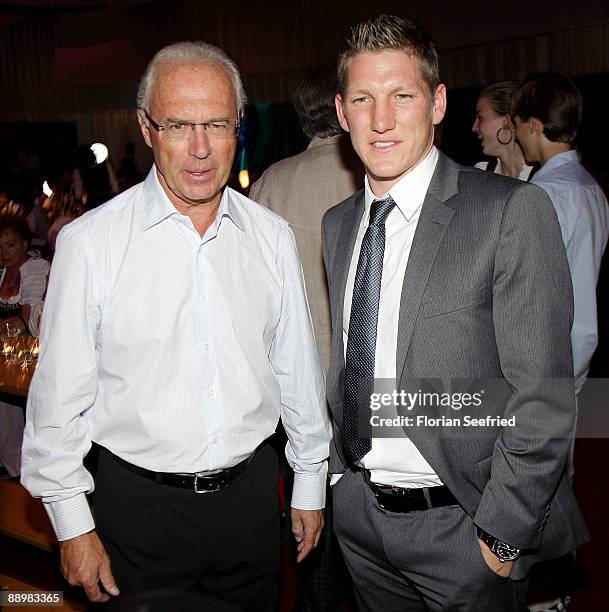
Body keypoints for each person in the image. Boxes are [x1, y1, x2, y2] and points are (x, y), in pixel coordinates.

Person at [21, 41, 331, 611]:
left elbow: (298, 372)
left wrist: (310, 481)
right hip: (139, 513)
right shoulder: (91, 244)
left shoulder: (271, 237)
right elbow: (57, 401)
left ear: (239, 124)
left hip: (251, 505)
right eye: (178, 124)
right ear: (146, 127)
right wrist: (71, 524)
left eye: (216, 124)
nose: (199, 148)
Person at [322, 14, 588, 612]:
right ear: (342, 113)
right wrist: (342, 482)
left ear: (438, 103)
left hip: (464, 530)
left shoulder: (510, 212)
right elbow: (348, 359)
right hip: (363, 524)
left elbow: (542, 395)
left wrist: (499, 535)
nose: (381, 119)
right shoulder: (338, 225)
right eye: (363, 99)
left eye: (402, 96)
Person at [250, 64, 362, 612]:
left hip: (291, 375)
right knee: (363, 512)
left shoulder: (273, 180)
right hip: (359, 372)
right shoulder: (370, 174)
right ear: (344, 108)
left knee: (305, 501)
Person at [512, 72, 609, 396]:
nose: (517, 136)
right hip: (577, 362)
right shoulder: (591, 188)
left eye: (517, 125)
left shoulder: (544, 194)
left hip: (546, 371)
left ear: (534, 125)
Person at [0, 215, 49, 478]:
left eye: (10, 245)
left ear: (24, 243)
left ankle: (19, 465)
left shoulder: (35, 269)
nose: (3, 252)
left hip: (30, 358)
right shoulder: (1, 273)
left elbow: (27, 320)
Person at [472, 81, 537, 181]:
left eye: (480, 117)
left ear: (507, 120)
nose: (474, 127)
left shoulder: (540, 176)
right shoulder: (481, 174)